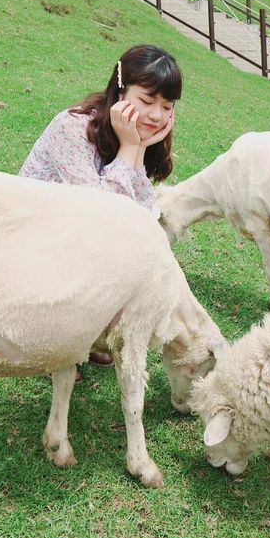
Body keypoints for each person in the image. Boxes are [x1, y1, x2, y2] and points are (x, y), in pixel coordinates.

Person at [18, 44, 181, 373]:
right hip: (32, 240)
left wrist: (136, 148)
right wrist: (131, 147)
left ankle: (89, 334)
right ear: (120, 91)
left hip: (72, 236)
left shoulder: (135, 135)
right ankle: (60, 341)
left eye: (167, 106)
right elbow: (101, 216)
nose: (156, 115)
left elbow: (141, 217)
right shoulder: (73, 128)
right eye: (147, 101)